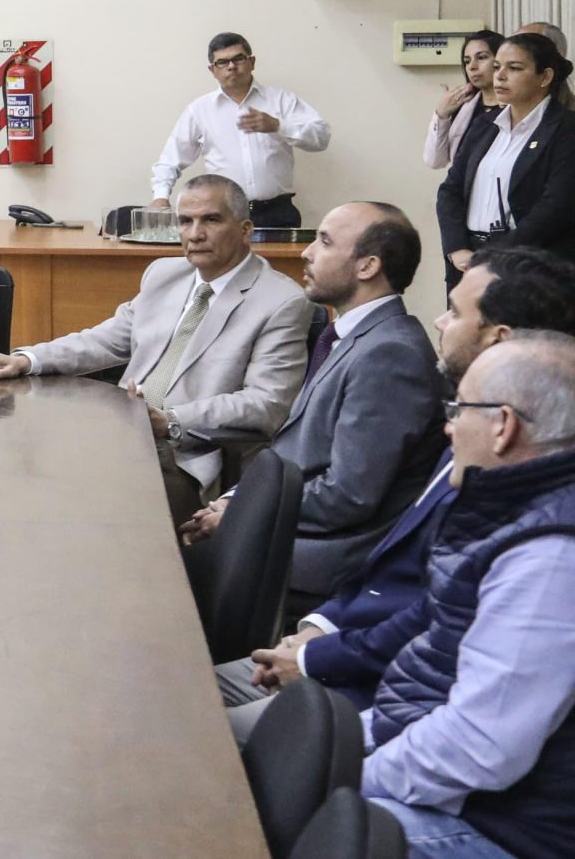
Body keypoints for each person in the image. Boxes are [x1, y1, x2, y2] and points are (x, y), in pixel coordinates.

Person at [215, 247, 575, 740]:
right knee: (174, 696)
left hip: (377, 692)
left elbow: (434, 612)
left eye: (455, 310)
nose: (439, 320)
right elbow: (395, 567)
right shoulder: (473, 419)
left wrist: (315, 657)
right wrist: (319, 630)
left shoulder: (518, 468)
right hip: (343, 640)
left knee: (192, 738)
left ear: (499, 338)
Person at [0, 175, 310, 524]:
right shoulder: (164, 274)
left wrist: (171, 420)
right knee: (17, 468)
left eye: (211, 220)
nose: (194, 233)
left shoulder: (281, 301)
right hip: (122, 437)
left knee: (76, 505)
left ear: (245, 229)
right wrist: (27, 359)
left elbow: (266, 404)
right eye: (185, 221)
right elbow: (107, 339)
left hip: (185, 455)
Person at [360, 333, 575, 859]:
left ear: (503, 427)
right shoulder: (516, 509)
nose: (448, 425)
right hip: (477, 793)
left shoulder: (550, 556)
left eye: (459, 408)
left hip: (507, 827)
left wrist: (342, 774)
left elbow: (480, 747)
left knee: (290, 820)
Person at [178, 204, 445, 606]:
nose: (306, 252)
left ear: (367, 266)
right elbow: (300, 454)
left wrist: (243, 514)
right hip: (286, 532)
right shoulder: (352, 338)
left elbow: (349, 494)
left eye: (324, 241)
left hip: (318, 560)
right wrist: (235, 500)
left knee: (153, 578)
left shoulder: (389, 354)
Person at [149, 32, 330, 229]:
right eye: (222, 62)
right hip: (223, 214)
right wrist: (160, 196)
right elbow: (170, 160)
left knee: (280, 261)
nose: (232, 66)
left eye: (238, 58)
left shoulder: (280, 100)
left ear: (252, 62)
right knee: (225, 261)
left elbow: (321, 137)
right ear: (212, 70)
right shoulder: (200, 110)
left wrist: (279, 126)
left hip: (277, 213)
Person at [438, 30, 575, 282]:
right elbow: (450, 189)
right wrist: (456, 248)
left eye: (514, 68)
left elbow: (557, 205)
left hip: (528, 265)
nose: (499, 76)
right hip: (467, 260)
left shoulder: (565, 129)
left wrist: (494, 255)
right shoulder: (484, 125)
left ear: (545, 77)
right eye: (498, 66)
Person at [425, 30, 506, 170]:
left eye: (481, 57)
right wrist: (441, 115)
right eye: (467, 61)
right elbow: (435, 161)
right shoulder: (464, 106)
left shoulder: (516, 106)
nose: (472, 66)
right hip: (463, 189)